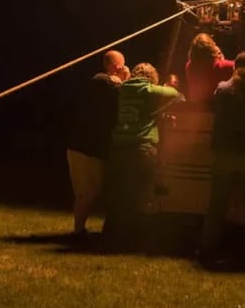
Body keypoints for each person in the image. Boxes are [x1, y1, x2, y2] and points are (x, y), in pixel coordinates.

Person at [200, 51, 245, 266]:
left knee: (217, 206)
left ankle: (207, 250)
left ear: (234, 67)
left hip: (224, 153)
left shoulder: (221, 90)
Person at [103, 62, 182, 249]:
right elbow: (174, 94)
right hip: (141, 148)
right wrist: (165, 87)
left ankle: (110, 237)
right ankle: (133, 239)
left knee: (118, 195)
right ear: (151, 79)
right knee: (140, 195)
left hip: (119, 148)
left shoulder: (122, 89)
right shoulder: (147, 89)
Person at [65, 49, 129, 236]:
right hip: (85, 147)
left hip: (86, 146)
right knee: (88, 191)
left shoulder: (103, 83)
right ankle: (78, 230)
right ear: (117, 66)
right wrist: (126, 79)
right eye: (123, 65)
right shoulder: (101, 80)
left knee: (89, 191)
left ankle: (79, 228)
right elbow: (122, 94)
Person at [184, 32, 234, 104]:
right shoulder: (225, 66)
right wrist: (221, 60)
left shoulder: (189, 67)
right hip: (219, 110)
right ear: (211, 48)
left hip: (196, 110)